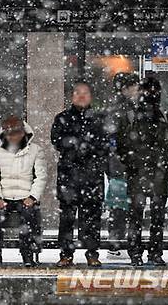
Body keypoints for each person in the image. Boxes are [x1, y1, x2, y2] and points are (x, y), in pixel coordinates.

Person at [115, 77, 168, 266]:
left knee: (151, 217)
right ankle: (140, 253)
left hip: (152, 173)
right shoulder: (133, 117)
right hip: (141, 173)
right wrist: (133, 162)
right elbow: (121, 145)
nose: (151, 95)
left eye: (154, 91)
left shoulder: (164, 116)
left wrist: (165, 163)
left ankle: (150, 253)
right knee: (139, 216)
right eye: (148, 91)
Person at [51, 82, 109, 267]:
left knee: (92, 217)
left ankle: (92, 253)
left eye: (85, 93)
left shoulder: (100, 119)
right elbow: (58, 141)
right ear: (71, 96)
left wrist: (79, 145)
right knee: (67, 217)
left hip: (92, 176)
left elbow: (104, 145)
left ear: (91, 96)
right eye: (78, 93)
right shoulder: (62, 118)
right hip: (69, 176)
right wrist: (81, 145)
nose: (82, 96)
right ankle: (66, 253)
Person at [0, 116, 47, 267]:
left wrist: (32, 197)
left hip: (26, 195)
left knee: (29, 215)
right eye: (9, 133)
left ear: (23, 133)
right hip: (4, 196)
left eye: (16, 133)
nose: (12, 137)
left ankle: (27, 254)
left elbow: (41, 176)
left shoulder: (35, 150)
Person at [105, 73, 140, 259]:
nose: (137, 90)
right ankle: (116, 246)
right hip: (121, 166)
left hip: (119, 166)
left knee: (120, 206)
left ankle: (117, 244)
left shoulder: (120, 107)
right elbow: (115, 139)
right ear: (125, 89)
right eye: (134, 86)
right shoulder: (122, 109)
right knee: (121, 207)